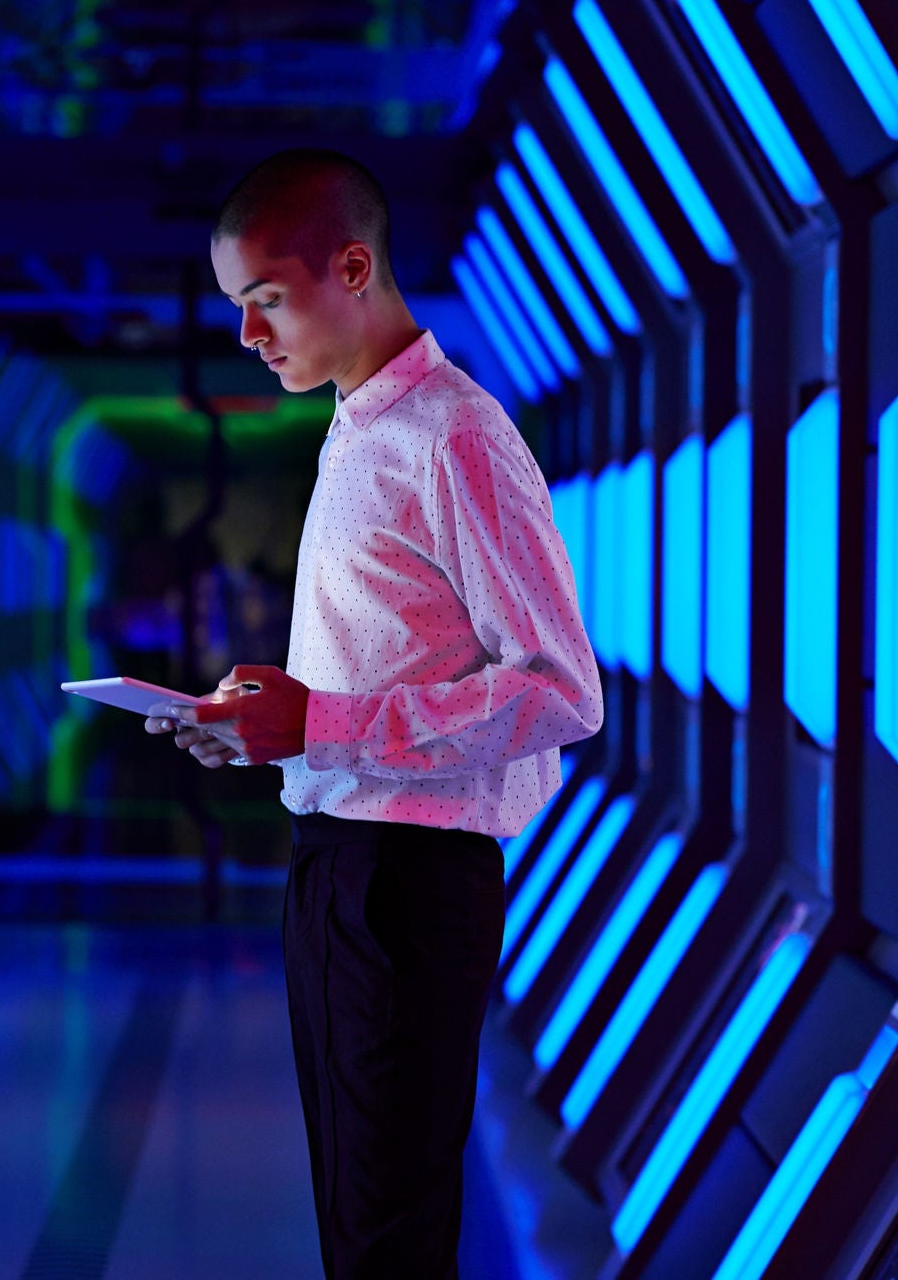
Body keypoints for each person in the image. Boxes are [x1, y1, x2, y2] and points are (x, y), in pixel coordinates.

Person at [145, 150, 603, 1278]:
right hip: (336, 862)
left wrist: (324, 728)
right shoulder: (352, 424)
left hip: (408, 883)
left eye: (264, 301)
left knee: (387, 1235)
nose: (250, 336)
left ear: (351, 267)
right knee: (355, 1222)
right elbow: (370, 672)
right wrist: (261, 720)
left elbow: (559, 690)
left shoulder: (456, 438)